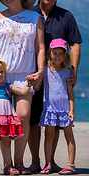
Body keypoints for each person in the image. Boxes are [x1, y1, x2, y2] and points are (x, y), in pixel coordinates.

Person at [0, 0, 82, 173]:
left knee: (35, 118)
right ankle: (17, 163)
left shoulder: (51, 17)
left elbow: (58, 46)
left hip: (38, 76)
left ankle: (35, 162)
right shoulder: (7, 16)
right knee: (13, 121)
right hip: (11, 74)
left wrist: (60, 71)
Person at [0, 0, 46, 174]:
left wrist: (40, 71)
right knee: (2, 122)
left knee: (23, 116)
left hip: (25, 74)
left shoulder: (35, 18)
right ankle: (8, 165)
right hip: (0, 75)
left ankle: (19, 162)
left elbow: (41, 48)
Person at [31, 38, 77, 175]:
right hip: (50, 109)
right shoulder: (45, 71)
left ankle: (71, 165)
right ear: (50, 53)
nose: (57, 56)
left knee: (69, 136)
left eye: (60, 53)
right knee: (49, 135)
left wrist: (72, 111)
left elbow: (70, 94)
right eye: (54, 53)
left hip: (65, 110)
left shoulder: (68, 72)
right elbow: (38, 84)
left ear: (65, 55)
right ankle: (48, 163)